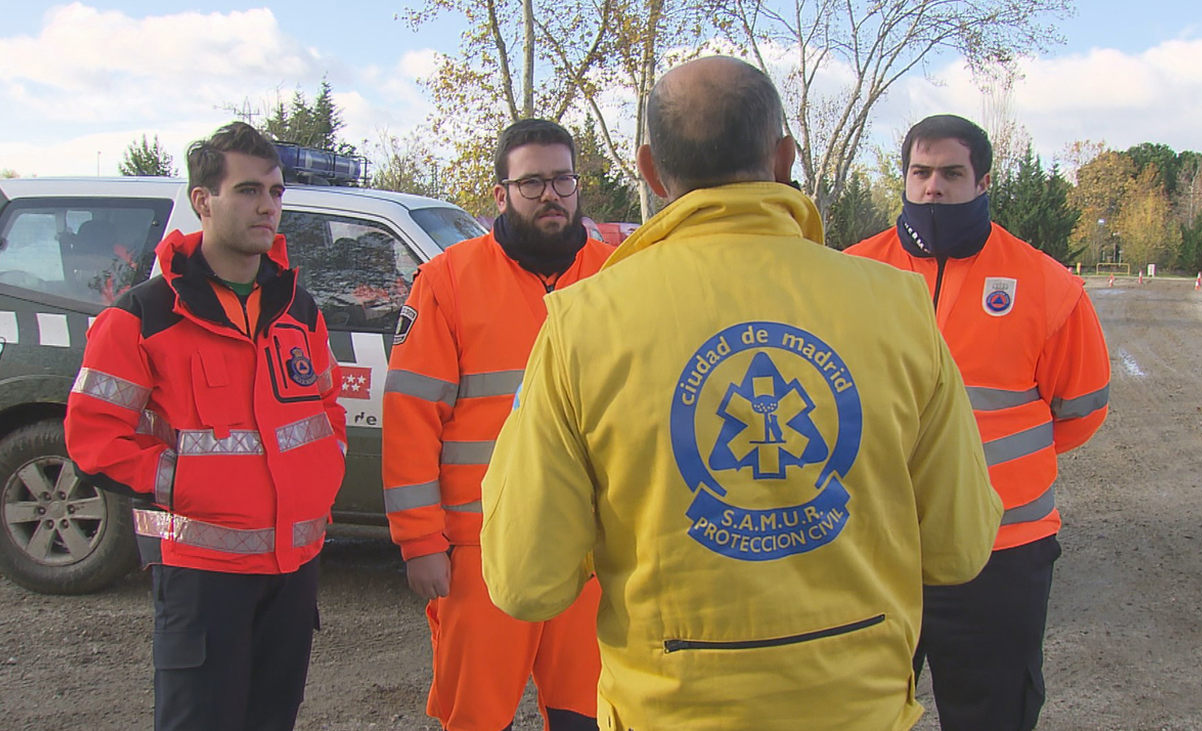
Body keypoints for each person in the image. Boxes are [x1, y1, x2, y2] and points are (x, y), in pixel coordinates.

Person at [478, 56, 1004, 731]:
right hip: (857, 710)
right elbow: (959, 547)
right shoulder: (899, 307)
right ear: (784, 157)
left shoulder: (583, 324)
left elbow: (526, 579)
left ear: (648, 168)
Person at [64, 121, 347, 731]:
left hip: (294, 569)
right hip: (201, 576)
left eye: (275, 192)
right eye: (248, 191)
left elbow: (326, 406)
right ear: (203, 200)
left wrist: (325, 471)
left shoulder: (297, 308)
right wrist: (181, 480)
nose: (267, 206)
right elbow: (92, 437)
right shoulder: (143, 315)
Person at [845, 114, 1111, 731]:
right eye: (920, 172)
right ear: (905, 178)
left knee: (995, 714)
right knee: (860, 713)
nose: (932, 187)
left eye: (950, 173)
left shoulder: (1045, 283)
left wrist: (997, 479)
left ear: (983, 180)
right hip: (874, 547)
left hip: (1002, 551)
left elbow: (1081, 411)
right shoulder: (851, 275)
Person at [382, 118, 611, 731]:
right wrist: (419, 541)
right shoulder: (449, 280)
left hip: (592, 548)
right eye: (531, 182)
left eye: (562, 179)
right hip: (480, 551)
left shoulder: (620, 275)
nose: (551, 194)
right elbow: (410, 419)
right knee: (478, 717)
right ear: (501, 193)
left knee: (587, 716)